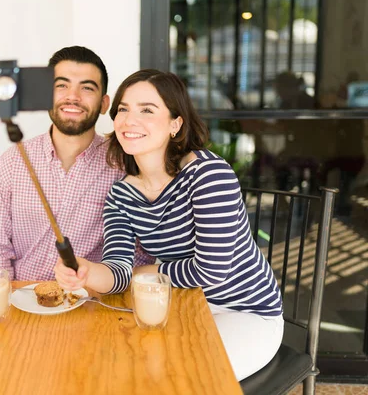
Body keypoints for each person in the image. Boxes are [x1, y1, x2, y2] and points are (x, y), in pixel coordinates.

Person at [54, 69, 284, 381]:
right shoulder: (122, 195)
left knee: (180, 378)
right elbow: (119, 272)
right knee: (120, 366)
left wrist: (148, 273)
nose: (129, 120)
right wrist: (86, 271)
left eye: (147, 110)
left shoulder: (208, 174)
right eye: (123, 109)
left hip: (244, 312)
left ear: (175, 124)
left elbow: (212, 271)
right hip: (179, 307)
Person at [0, 46, 153, 280]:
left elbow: (139, 256)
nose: (73, 96)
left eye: (87, 88)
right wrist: (4, 302)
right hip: (23, 299)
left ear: (104, 103)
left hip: (92, 303)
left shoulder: (125, 166)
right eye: (62, 85)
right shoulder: (13, 161)